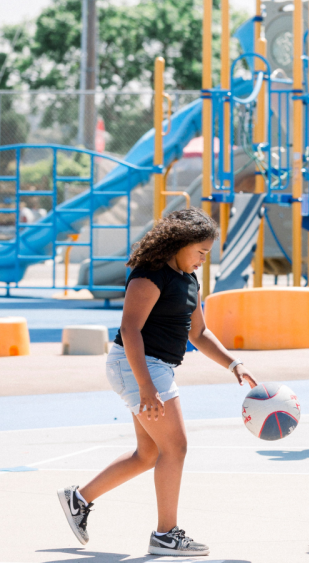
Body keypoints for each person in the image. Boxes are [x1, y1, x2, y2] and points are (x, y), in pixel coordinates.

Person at [56, 208, 258, 556]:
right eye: (201, 253)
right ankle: (166, 534)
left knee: (148, 453)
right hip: (139, 365)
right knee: (175, 447)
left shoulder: (188, 279)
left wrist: (233, 364)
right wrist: (146, 384)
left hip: (153, 367)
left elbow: (200, 332)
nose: (202, 261)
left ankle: (79, 499)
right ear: (180, 243)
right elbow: (129, 329)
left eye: (206, 255)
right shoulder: (151, 274)